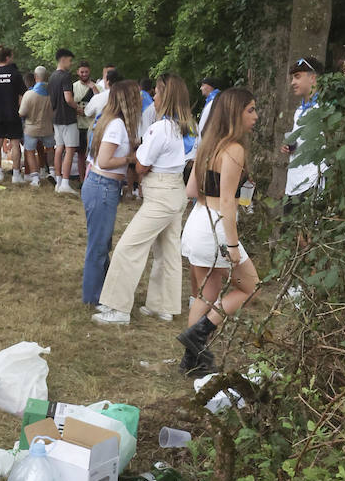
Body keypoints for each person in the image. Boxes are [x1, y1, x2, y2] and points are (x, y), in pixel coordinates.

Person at [92, 74, 194, 326]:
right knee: (168, 250)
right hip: (176, 190)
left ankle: (118, 308)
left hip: (159, 192)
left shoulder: (160, 128)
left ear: (166, 96)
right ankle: (163, 306)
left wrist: (138, 154)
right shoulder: (191, 126)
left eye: (157, 93)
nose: (154, 98)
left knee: (129, 247)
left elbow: (141, 166)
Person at [178, 87, 260, 374]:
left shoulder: (208, 144)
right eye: (250, 109)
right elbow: (228, 200)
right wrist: (234, 245)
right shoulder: (234, 149)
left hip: (198, 220)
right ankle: (198, 335)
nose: (256, 116)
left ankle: (192, 361)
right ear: (235, 113)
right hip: (217, 227)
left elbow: (191, 190)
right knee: (250, 286)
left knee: (205, 294)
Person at [80, 80, 143, 306]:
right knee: (98, 247)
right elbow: (106, 161)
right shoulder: (116, 125)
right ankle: (94, 298)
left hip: (102, 187)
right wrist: (130, 158)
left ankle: (102, 291)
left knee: (101, 244)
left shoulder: (113, 122)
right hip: (102, 187)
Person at [281, 56, 326, 200]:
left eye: (297, 77)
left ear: (313, 78)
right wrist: (289, 147)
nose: (293, 82)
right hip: (293, 185)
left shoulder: (327, 108)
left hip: (314, 183)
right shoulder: (299, 111)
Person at [0, 46, 26, 184]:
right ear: (7, 58)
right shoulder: (15, 74)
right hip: (13, 113)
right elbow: (22, 95)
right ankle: (15, 175)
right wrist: (20, 110)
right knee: (15, 143)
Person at [49, 47, 79, 195]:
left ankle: (58, 181)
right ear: (63, 59)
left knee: (59, 148)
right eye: (70, 60)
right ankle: (66, 183)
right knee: (70, 149)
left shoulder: (52, 76)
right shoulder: (66, 76)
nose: (71, 63)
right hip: (67, 118)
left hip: (56, 117)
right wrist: (78, 108)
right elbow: (68, 98)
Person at [19, 66, 54, 187]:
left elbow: (22, 113)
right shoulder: (51, 94)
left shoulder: (29, 94)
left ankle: (35, 178)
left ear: (35, 77)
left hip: (31, 128)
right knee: (50, 149)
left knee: (29, 151)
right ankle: (52, 172)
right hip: (48, 127)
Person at [73, 60, 95, 178]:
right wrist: (78, 110)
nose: (84, 74)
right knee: (81, 155)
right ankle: (82, 179)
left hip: (92, 127)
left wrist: (94, 89)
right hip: (79, 126)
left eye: (86, 71)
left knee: (92, 155)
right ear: (78, 72)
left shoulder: (96, 87)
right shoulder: (73, 87)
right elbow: (69, 103)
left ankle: (91, 179)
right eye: (82, 72)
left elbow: (101, 103)